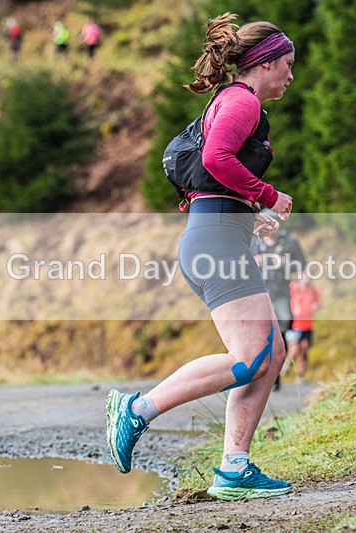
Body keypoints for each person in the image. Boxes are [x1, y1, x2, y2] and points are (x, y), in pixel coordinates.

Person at [106, 13, 295, 501]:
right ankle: (137, 410)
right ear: (266, 62)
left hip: (218, 232)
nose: (291, 76)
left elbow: (210, 181)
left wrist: (249, 214)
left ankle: (235, 467)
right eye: (287, 65)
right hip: (214, 242)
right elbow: (215, 159)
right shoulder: (241, 100)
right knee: (252, 356)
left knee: (271, 354)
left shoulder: (236, 101)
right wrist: (268, 195)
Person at [250, 212, 306, 390]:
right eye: (263, 223)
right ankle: (266, 377)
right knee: (261, 336)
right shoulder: (253, 242)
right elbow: (239, 266)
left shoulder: (290, 242)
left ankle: (276, 374)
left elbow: (302, 267)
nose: (267, 226)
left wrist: (285, 263)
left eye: (271, 222)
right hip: (259, 294)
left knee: (282, 337)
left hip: (283, 294)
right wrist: (253, 262)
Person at [284, 276, 321, 383]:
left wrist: (316, 306)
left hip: (308, 325)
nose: (306, 278)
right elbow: (283, 299)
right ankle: (288, 364)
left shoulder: (313, 290)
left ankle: (300, 376)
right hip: (294, 325)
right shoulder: (292, 288)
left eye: (308, 276)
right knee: (294, 350)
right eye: (303, 275)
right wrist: (291, 309)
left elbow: (318, 302)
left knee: (304, 350)